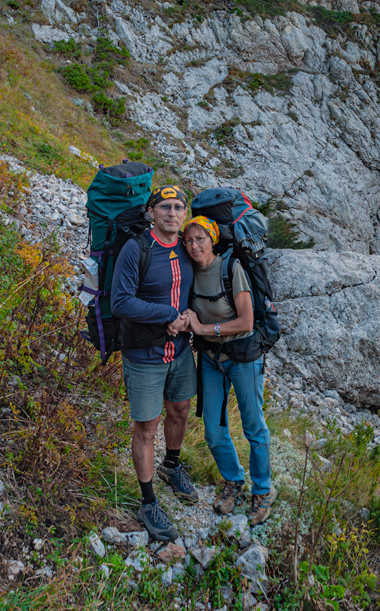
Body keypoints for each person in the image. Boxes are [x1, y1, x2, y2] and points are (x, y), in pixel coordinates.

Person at [110, 185, 199, 542]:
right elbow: (120, 302)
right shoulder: (137, 249)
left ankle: (171, 466)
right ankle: (148, 502)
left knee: (180, 410)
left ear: (185, 213)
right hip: (144, 354)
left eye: (178, 207)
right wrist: (167, 315)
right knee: (147, 428)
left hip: (180, 350)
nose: (172, 213)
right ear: (151, 212)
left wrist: (189, 318)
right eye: (164, 207)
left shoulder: (188, 247)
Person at [181, 216, 275, 525]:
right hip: (211, 358)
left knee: (253, 427)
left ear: (212, 240)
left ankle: (263, 490)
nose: (194, 246)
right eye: (188, 240)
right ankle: (234, 480)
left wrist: (203, 328)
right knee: (213, 429)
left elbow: (246, 321)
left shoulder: (230, 268)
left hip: (243, 356)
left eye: (200, 239)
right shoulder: (188, 271)